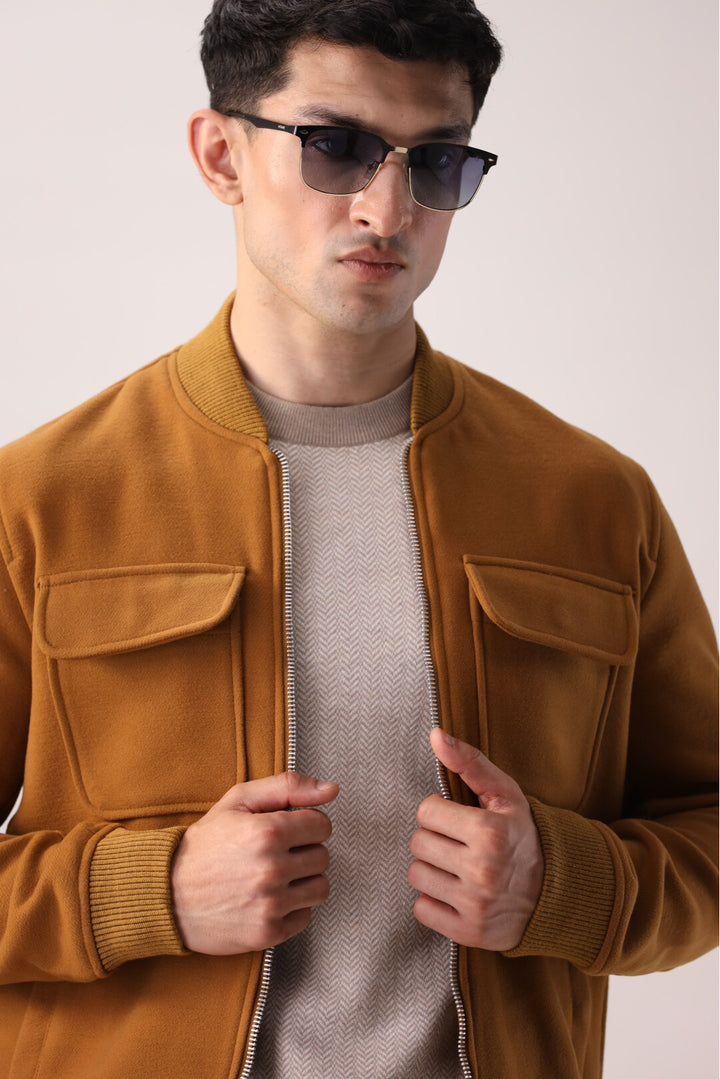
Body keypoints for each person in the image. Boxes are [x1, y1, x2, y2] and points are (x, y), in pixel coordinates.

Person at [0, 1, 716, 1076]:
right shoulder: (38, 500)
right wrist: (148, 891)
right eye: (336, 146)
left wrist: (565, 886)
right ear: (222, 155)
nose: (389, 208)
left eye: (436, 162)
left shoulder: (597, 501)